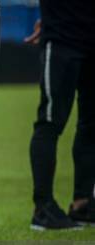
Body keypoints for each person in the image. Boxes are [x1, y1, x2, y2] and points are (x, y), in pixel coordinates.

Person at [25, 0, 95, 230]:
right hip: (62, 38)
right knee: (50, 122)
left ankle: (83, 203)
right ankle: (43, 207)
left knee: (90, 124)